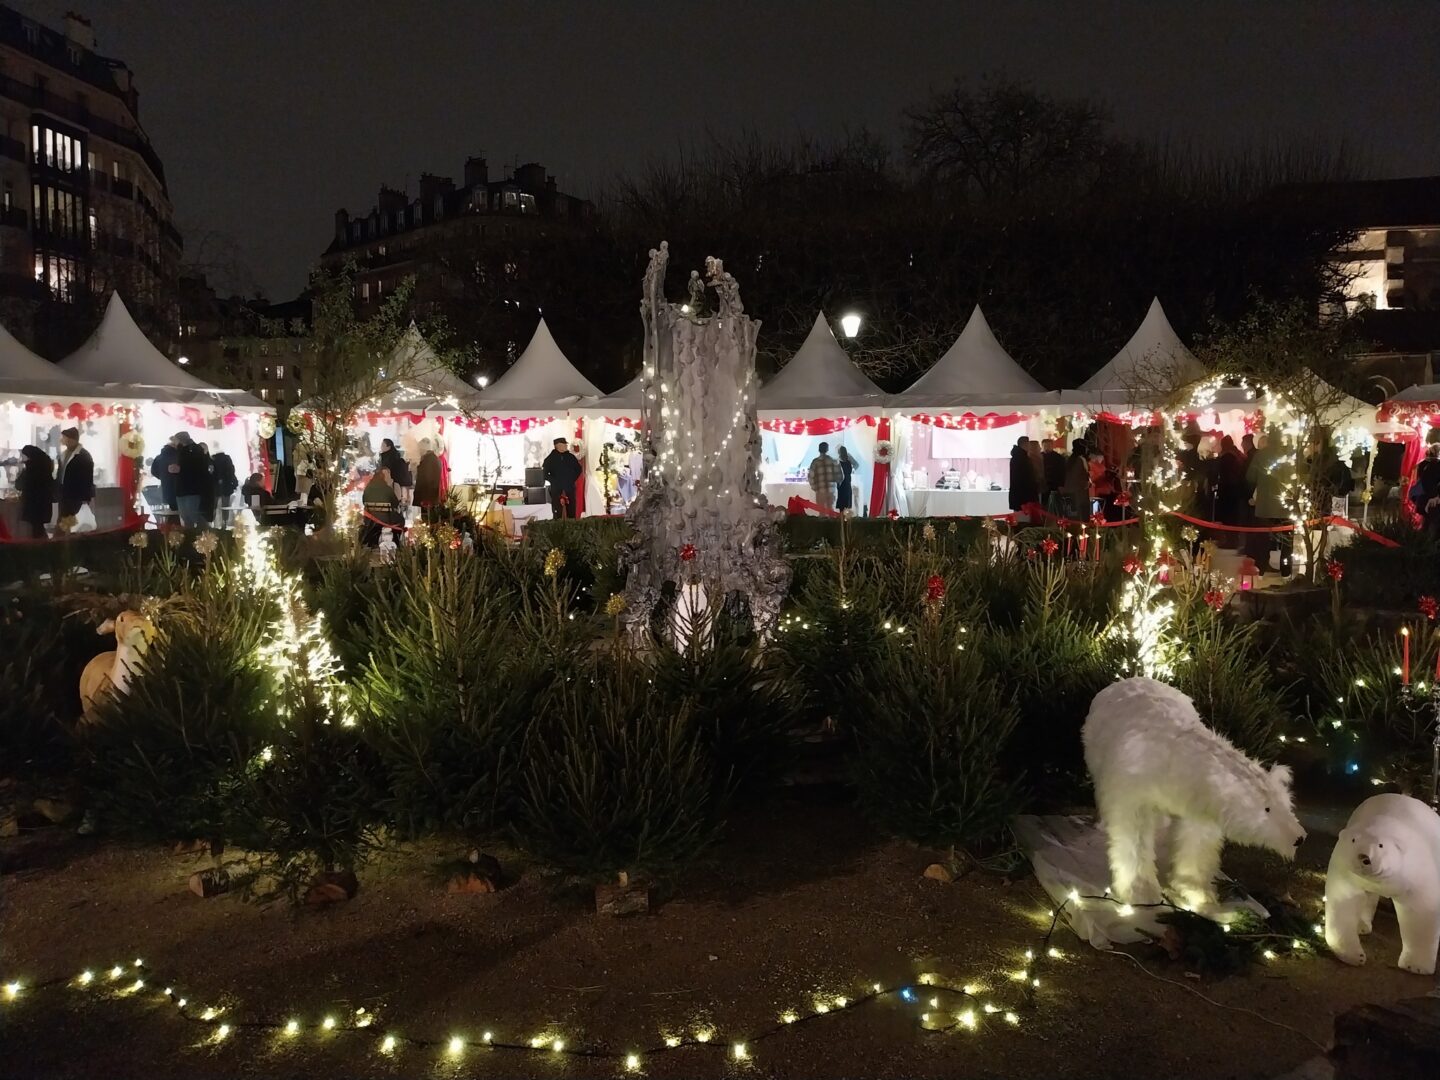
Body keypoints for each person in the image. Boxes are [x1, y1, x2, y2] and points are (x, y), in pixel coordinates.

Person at [1246, 430, 1292, 577]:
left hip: (1265, 506)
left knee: (1263, 539)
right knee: (1287, 541)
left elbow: (1250, 477)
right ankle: (1286, 571)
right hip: (1285, 505)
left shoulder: (1260, 456)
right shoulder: (1287, 455)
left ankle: (1262, 568)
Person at [168, 432, 209, 527]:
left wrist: (180, 469)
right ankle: (189, 535)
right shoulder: (180, 451)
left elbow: (197, 468)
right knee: (185, 516)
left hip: (191, 489)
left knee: (193, 514)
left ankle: (206, 533)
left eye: (176, 440)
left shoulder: (194, 450)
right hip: (181, 488)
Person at [56, 426, 94, 523]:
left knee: (74, 522)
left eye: (64, 437)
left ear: (71, 439)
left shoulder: (83, 455)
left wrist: (86, 497)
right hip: (64, 494)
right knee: (63, 521)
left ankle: (70, 537)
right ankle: (64, 536)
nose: (62, 440)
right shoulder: (63, 454)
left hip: (76, 496)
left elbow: (88, 477)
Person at [16, 445, 53, 539]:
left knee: (36, 530)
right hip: (43, 504)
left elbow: (19, 485)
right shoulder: (45, 466)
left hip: (33, 505)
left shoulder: (31, 468)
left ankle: (40, 549)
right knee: (39, 528)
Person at [542, 436, 583, 519]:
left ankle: (572, 528)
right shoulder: (550, 459)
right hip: (556, 489)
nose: (566, 446)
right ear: (558, 445)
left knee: (571, 510)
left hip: (569, 488)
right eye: (564, 444)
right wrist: (554, 481)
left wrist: (572, 479)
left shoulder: (571, 457)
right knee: (557, 511)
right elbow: (544, 474)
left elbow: (579, 469)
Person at [360, 467, 400, 548]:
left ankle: (371, 543)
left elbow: (364, 501)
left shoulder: (368, 488)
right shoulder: (387, 488)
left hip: (370, 519)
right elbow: (395, 503)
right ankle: (396, 543)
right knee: (400, 520)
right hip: (386, 519)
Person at [1008, 436, 1039, 519]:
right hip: (1023, 499)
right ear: (1025, 444)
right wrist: (1024, 500)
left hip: (1022, 497)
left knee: (1022, 520)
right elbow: (1020, 480)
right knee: (1022, 522)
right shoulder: (1021, 458)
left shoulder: (1020, 457)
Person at [379, 438, 413, 514]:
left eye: (383, 445)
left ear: (389, 447)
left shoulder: (389, 459)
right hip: (395, 485)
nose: (381, 447)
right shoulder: (390, 456)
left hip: (393, 485)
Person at [1413, 444, 1440, 535]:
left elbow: (1420, 480)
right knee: (1432, 527)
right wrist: (1435, 496)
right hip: (1433, 501)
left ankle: (1421, 544)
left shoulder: (1421, 464)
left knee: (1426, 524)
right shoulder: (1436, 464)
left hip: (1423, 498)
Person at [807, 441, 842, 512]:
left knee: (821, 512)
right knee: (831, 512)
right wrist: (836, 485)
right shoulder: (833, 461)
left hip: (820, 491)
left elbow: (810, 477)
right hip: (831, 490)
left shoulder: (815, 462)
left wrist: (814, 488)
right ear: (827, 449)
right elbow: (840, 476)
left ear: (819, 450)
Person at [414, 439, 443, 523]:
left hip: (426, 498)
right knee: (429, 520)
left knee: (427, 521)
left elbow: (427, 479)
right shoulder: (434, 459)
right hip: (431, 497)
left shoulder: (428, 461)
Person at [1063, 439, 1090, 519]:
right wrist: (1086, 483)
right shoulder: (1080, 460)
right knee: (1079, 514)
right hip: (1078, 492)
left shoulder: (1071, 459)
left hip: (1071, 491)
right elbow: (1077, 476)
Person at [151, 436, 179, 516]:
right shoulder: (178, 456)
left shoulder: (159, 457)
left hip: (166, 488)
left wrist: (163, 477)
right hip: (178, 489)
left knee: (171, 513)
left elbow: (153, 471)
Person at [1041, 438, 1067, 514]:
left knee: (1055, 502)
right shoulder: (1040, 457)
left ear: (1052, 446)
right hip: (1043, 484)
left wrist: (1061, 484)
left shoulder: (1059, 458)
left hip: (1055, 484)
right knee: (1044, 503)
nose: (1046, 448)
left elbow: (1062, 472)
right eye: (1045, 446)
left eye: (1048, 446)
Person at [211, 449, 239, 519]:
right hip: (226, 485)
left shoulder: (212, 460)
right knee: (225, 506)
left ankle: (211, 522)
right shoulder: (227, 459)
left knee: (213, 506)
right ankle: (225, 523)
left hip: (214, 486)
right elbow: (231, 472)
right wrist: (235, 483)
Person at [835, 445, 855, 513]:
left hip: (841, 485)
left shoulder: (838, 463)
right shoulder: (848, 462)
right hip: (847, 483)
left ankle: (841, 521)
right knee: (847, 505)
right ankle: (846, 521)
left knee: (841, 505)